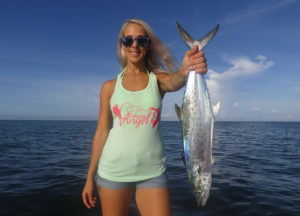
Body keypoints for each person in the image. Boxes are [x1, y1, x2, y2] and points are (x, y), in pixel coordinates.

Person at [82, 18, 208, 216]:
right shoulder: (108, 87)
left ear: (148, 45)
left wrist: (185, 71)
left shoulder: (157, 80)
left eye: (141, 41)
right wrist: (90, 177)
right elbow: (102, 132)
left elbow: (175, 81)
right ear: (121, 44)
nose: (134, 45)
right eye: (128, 40)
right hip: (112, 171)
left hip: (152, 172)